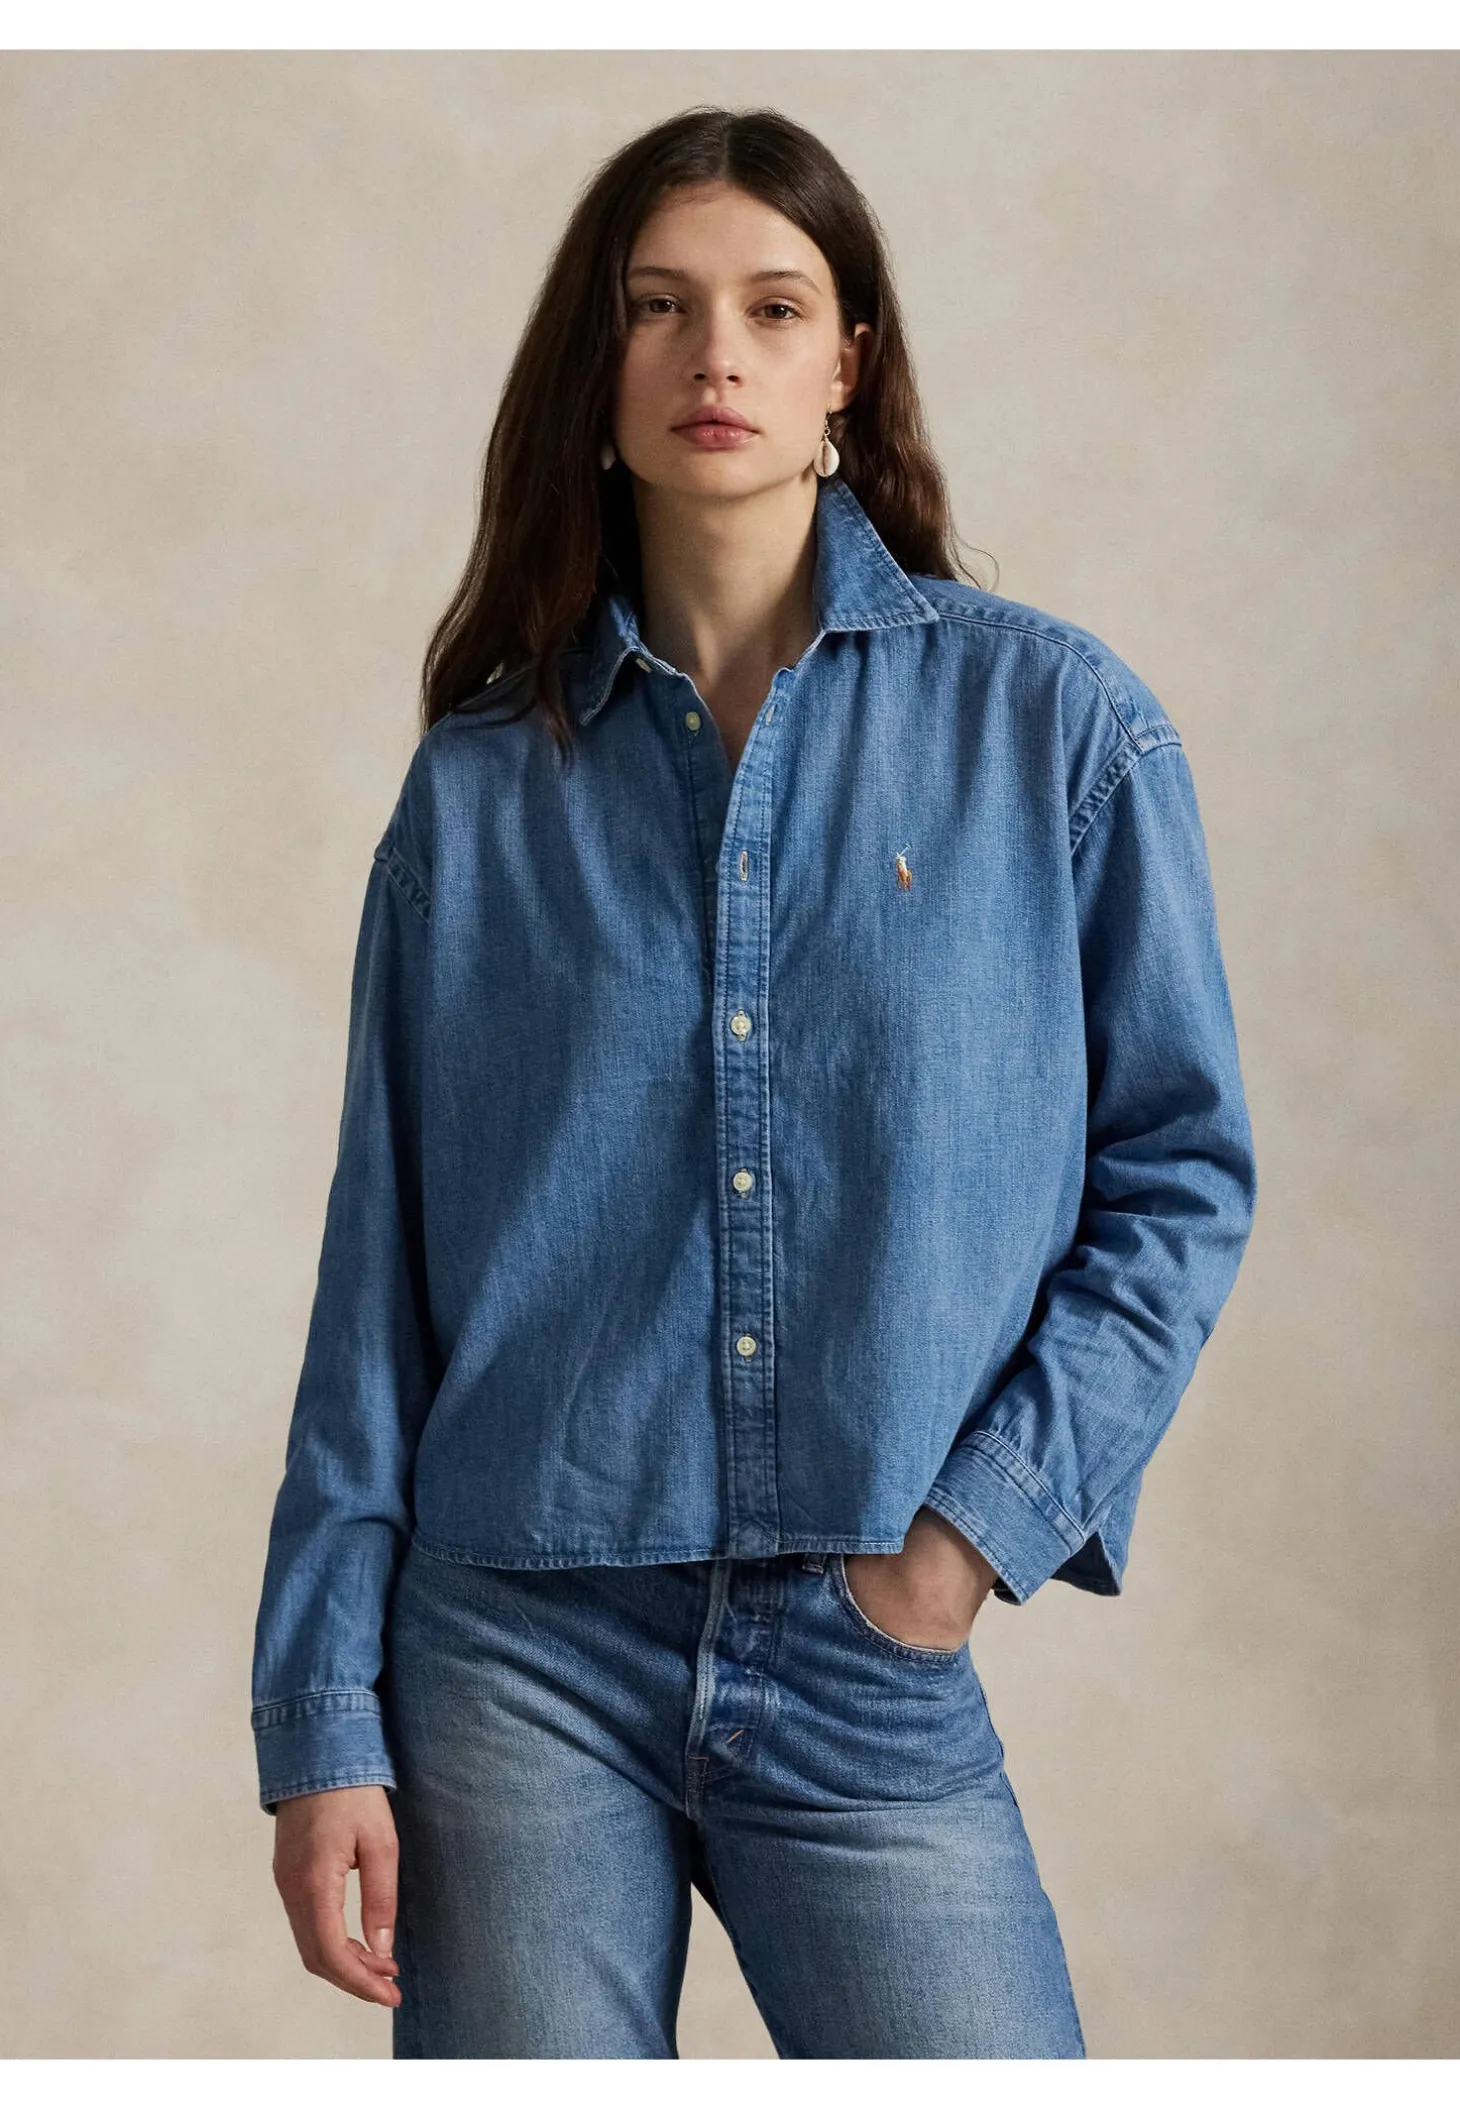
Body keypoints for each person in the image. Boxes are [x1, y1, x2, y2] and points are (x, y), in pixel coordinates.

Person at [251, 105, 1257, 2059]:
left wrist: (964, 1539)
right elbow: (376, 1284)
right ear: (599, 365)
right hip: (510, 1645)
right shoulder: (477, 790)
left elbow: (1179, 1176)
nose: (715, 353)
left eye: (772, 308)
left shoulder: (1055, 731)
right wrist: (322, 1716)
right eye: (659, 307)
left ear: (845, 366)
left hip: (867, 1639)